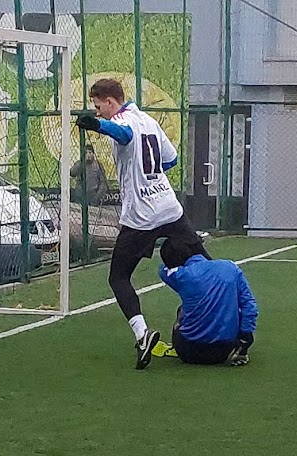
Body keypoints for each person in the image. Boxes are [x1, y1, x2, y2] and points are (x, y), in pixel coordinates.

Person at [76, 78, 210, 370]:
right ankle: (228, 321)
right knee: (207, 265)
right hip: (169, 206)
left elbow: (121, 134)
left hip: (142, 216)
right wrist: (148, 176)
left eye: (99, 107)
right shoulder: (148, 120)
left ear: (111, 102)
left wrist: (97, 126)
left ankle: (142, 335)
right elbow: (170, 160)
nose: (98, 112)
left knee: (118, 278)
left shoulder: (123, 122)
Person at [159, 238, 257, 366]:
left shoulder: (179, 276)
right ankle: (241, 346)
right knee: (234, 306)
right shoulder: (230, 267)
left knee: (181, 310)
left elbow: (163, 270)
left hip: (188, 351)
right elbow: (249, 305)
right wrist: (246, 335)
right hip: (223, 351)